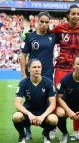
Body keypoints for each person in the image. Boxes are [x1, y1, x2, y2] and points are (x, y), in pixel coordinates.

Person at [51, 4, 79, 140]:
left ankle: (76, 131)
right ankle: (54, 127)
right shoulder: (59, 28)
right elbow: (47, 38)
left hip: (77, 68)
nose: (76, 16)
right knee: (58, 97)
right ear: (68, 15)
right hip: (61, 67)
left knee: (78, 97)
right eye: (73, 14)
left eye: (78, 14)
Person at [20, 11, 57, 140]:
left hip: (47, 74)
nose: (44, 24)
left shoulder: (53, 36)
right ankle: (27, 131)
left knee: (48, 102)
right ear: (37, 22)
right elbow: (23, 56)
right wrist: (24, 74)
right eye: (42, 21)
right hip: (32, 74)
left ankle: (47, 131)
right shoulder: (30, 37)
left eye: (47, 22)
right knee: (29, 100)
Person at [12, 59, 58, 143]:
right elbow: (17, 104)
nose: (37, 69)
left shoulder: (48, 82)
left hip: (43, 114)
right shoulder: (23, 83)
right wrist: (29, 114)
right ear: (28, 69)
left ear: (41, 68)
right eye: (34, 67)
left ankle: (46, 134)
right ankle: (22, 135)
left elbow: (52, 104)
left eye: (39, 67)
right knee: (16, 116)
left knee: (54, 119)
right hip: (28, 114)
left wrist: (43, 116)